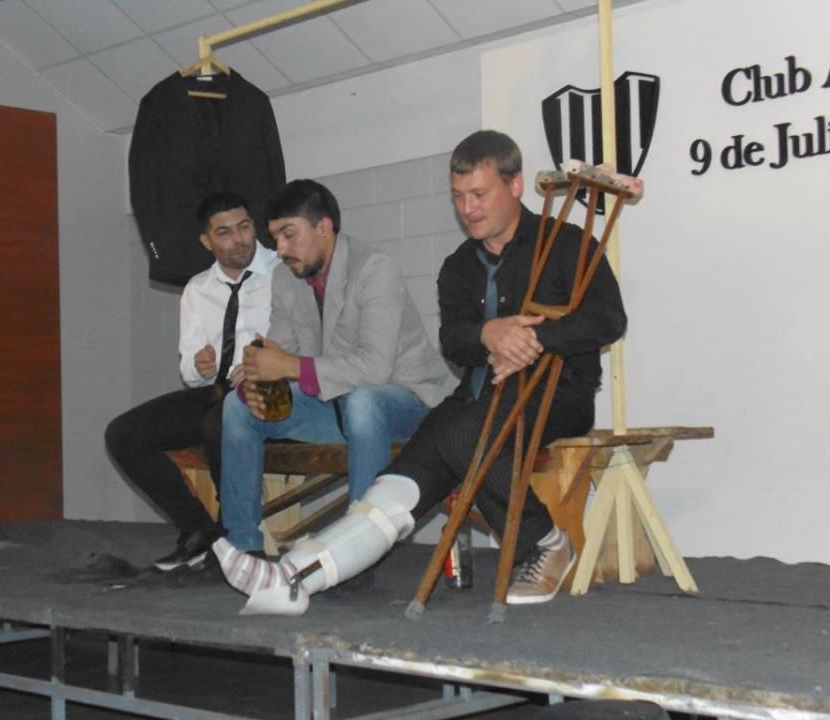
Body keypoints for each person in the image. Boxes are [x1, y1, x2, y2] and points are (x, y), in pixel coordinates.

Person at [213, 131, 629, 614]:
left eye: (479, 194)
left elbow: (608, 320)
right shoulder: (458, 266)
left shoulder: (567, 244)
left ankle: (545, 541)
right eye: (459, 196)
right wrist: (489, 334)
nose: (468, 209)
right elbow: (455, 341)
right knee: (399, 485)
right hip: (476, 398)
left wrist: (534, 339)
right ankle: (295, 575)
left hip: (557, 394)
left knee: (461, 435)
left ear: (515, 185)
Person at [217, 179, 456, 554]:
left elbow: (375, 368)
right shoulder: (284, 277)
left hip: (409, 403)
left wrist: (287, 365)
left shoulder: (374, 269)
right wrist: (257, 374)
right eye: (275, 238)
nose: (281, 250)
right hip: (336, 404)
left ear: (324, 228)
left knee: (364, 401)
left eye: (289, 235)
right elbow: (283, 351)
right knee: (237, 406)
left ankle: (357, 551)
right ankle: (244, 548)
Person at [105, 192, 279, 571]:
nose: (239, 239)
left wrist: (264, 362)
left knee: (221, 421)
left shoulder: (283, 274)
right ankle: (198, 529)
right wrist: (200, 366)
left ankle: (235, 540)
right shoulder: (198, 289)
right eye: (225, 233)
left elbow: (304, 343)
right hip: (218, 390)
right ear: (206, 241)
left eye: (244, 227)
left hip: (271, 390)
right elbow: (189, 371)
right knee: (123, 435)